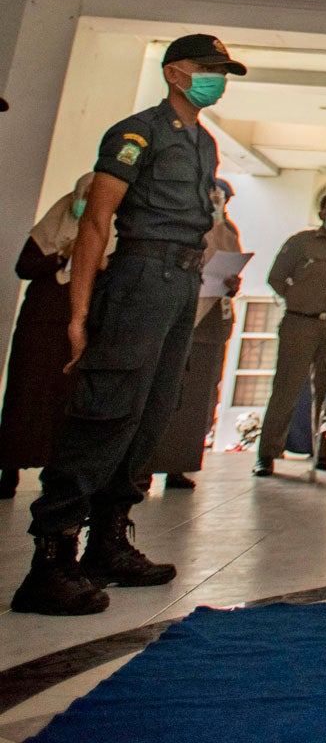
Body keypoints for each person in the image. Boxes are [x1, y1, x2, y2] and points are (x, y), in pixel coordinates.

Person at [13, 34, 245, 617]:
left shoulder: (203, 143)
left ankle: (108, 543)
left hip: (181, 283)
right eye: (207, 68)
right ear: (174, 73)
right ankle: (51, 561)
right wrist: (78, 315)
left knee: (149, 415)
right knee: (105, 412)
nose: (216, 78)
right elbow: (96, 221)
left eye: (224, 71)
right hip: (140, 277)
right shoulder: (136, 132)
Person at [253, 190, 326, 478]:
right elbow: (276, 278)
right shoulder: (300, 243)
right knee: (286, 390)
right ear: (321, 213)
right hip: (300, 324)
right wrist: (300, 299)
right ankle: (267, 455)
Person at [0, 175, 93, 500]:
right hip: (39, 325)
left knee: (62, 401)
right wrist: (59, 255)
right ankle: (8, 469)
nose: (86, 202)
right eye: (84, 195)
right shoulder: (50, 229)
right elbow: (24, 267)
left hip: (75, 329)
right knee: (25, 395)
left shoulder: (104, 237)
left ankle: (54, 472)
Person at [148, 179, 243, 488]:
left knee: (197, 398)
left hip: (212, 322)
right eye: (213, 197)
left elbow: (231, 269)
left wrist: (231, 284)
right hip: (180, 314)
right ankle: (142, 467)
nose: (218, 203)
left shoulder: (227, 232)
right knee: (163, 391)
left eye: (222, 199)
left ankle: (178, 464)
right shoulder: (182, 224)